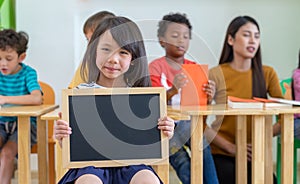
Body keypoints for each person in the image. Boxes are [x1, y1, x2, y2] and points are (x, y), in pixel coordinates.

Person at [55, 16, 175, 184]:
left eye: (123, 52)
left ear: (133, 59)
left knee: (148, 180)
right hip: (90, 166)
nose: (113, 59)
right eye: (106, 49)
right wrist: (62, 137)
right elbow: (74, 147)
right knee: (88, 181)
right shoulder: (79, 94)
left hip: (132, 165)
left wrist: (165, 132)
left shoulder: (141, 97)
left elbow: (150, 144)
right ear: (93, 51)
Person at [207, 15, 283, 184]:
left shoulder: (268, 73)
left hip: (255, 153)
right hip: (222, 152)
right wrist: (232, 148)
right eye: (247, 35)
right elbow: (199, 123)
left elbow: (286, 116)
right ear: (231, 39)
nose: (252, 41)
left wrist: (261, 138)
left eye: (256, 36)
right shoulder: (216, 73)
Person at [149, 12, 219, 184]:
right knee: (181, 160)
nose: (181, 40)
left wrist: (209, 96)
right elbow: (153, 103)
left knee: (202, 149)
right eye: (175, 36)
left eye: (186, 36)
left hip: (189, 125)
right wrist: (173, 90)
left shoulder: (194, 68)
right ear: (161, 40)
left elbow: (201, 107)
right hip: (165, 128)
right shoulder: (155, 68)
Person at [0, 29, 42, 183]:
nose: (3, 63)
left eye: (8, 58)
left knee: (6, 153)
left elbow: (37, 98)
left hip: (24, 125)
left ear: (21, 57)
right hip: (1, 123)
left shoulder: (28, 73)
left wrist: (5, 99)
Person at [68, 10, 115, 89]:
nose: (90, 45)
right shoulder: (88, 64)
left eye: (94, 39)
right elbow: (71, 93)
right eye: (88, 40)